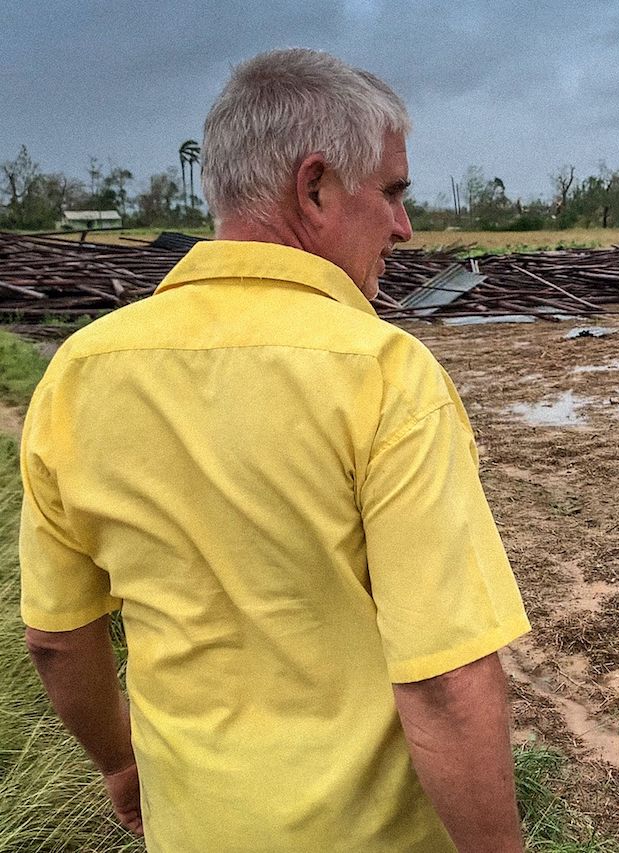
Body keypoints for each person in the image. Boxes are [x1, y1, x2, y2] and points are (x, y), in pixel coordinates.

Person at [20, 48, 529, 852]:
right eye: (393, 191)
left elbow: (56, 638)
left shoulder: (79, 374)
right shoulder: (383, 375)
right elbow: (442, 682)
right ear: (316, 186)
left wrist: (121, 767)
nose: (404, 225)